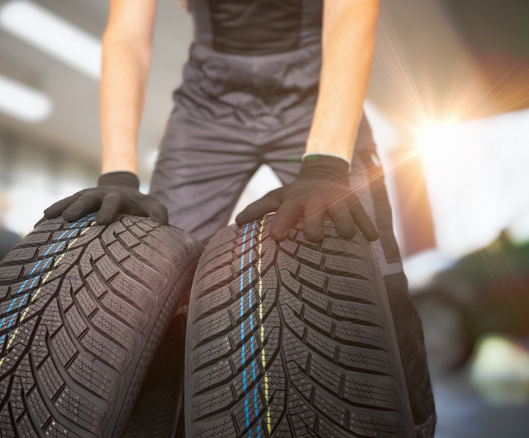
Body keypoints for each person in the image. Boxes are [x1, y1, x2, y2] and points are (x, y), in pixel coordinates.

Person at [43, 0, 435, 436]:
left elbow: (351, 14)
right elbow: (128, 33)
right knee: (159, 272)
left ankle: (411, 425)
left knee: (370, 258)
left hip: (318, 90)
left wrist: (325, 165)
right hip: (208, 107)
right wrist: (119, 172)